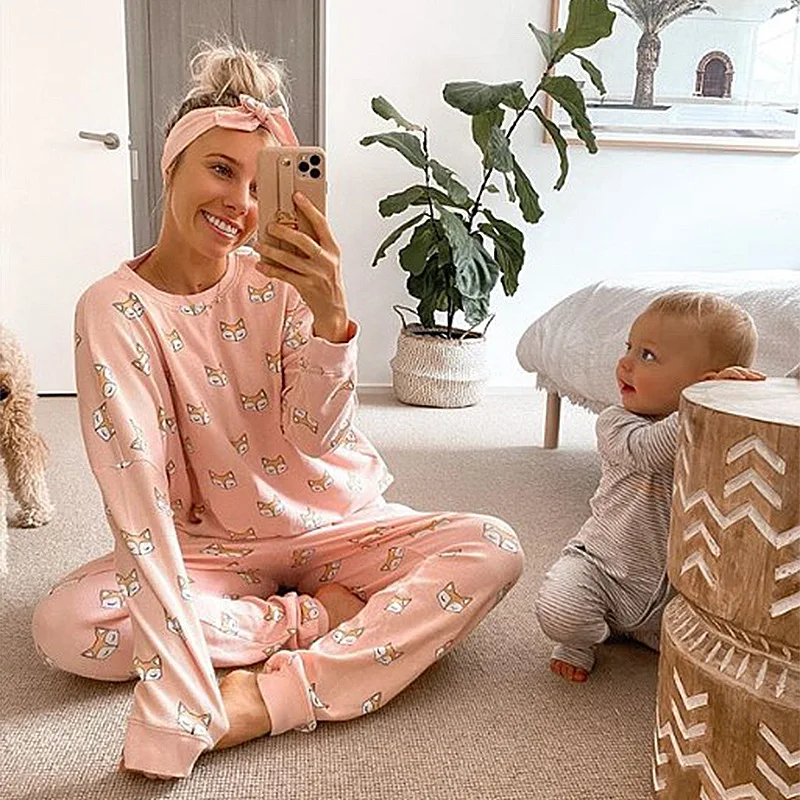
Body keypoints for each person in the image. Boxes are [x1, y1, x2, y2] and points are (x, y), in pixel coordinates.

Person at [30, 42, 524, 779]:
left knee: (493, 546)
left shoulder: (283, 282)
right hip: (212, 548)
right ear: (172, 166)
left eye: (261, 185)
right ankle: (314, 618)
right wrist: (189, 688)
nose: (240, 203)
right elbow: (138, 498)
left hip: (337, 523)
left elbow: (316, 437)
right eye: (220, 170)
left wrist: (331, 321)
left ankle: (269, 696)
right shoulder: (113, 308)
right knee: (66, 626)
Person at [535, 291, 764, 683]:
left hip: (676, 589)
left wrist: (738, 405)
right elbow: (649, 451)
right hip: (602, 572)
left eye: (647, 356)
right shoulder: (617, 424)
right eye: (629, 347)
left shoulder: (713, 435)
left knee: (724, 644)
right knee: (560, 609)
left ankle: (648, 633)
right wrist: (699, 407)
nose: (625, 363)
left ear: (704, 383)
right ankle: (583, 639)